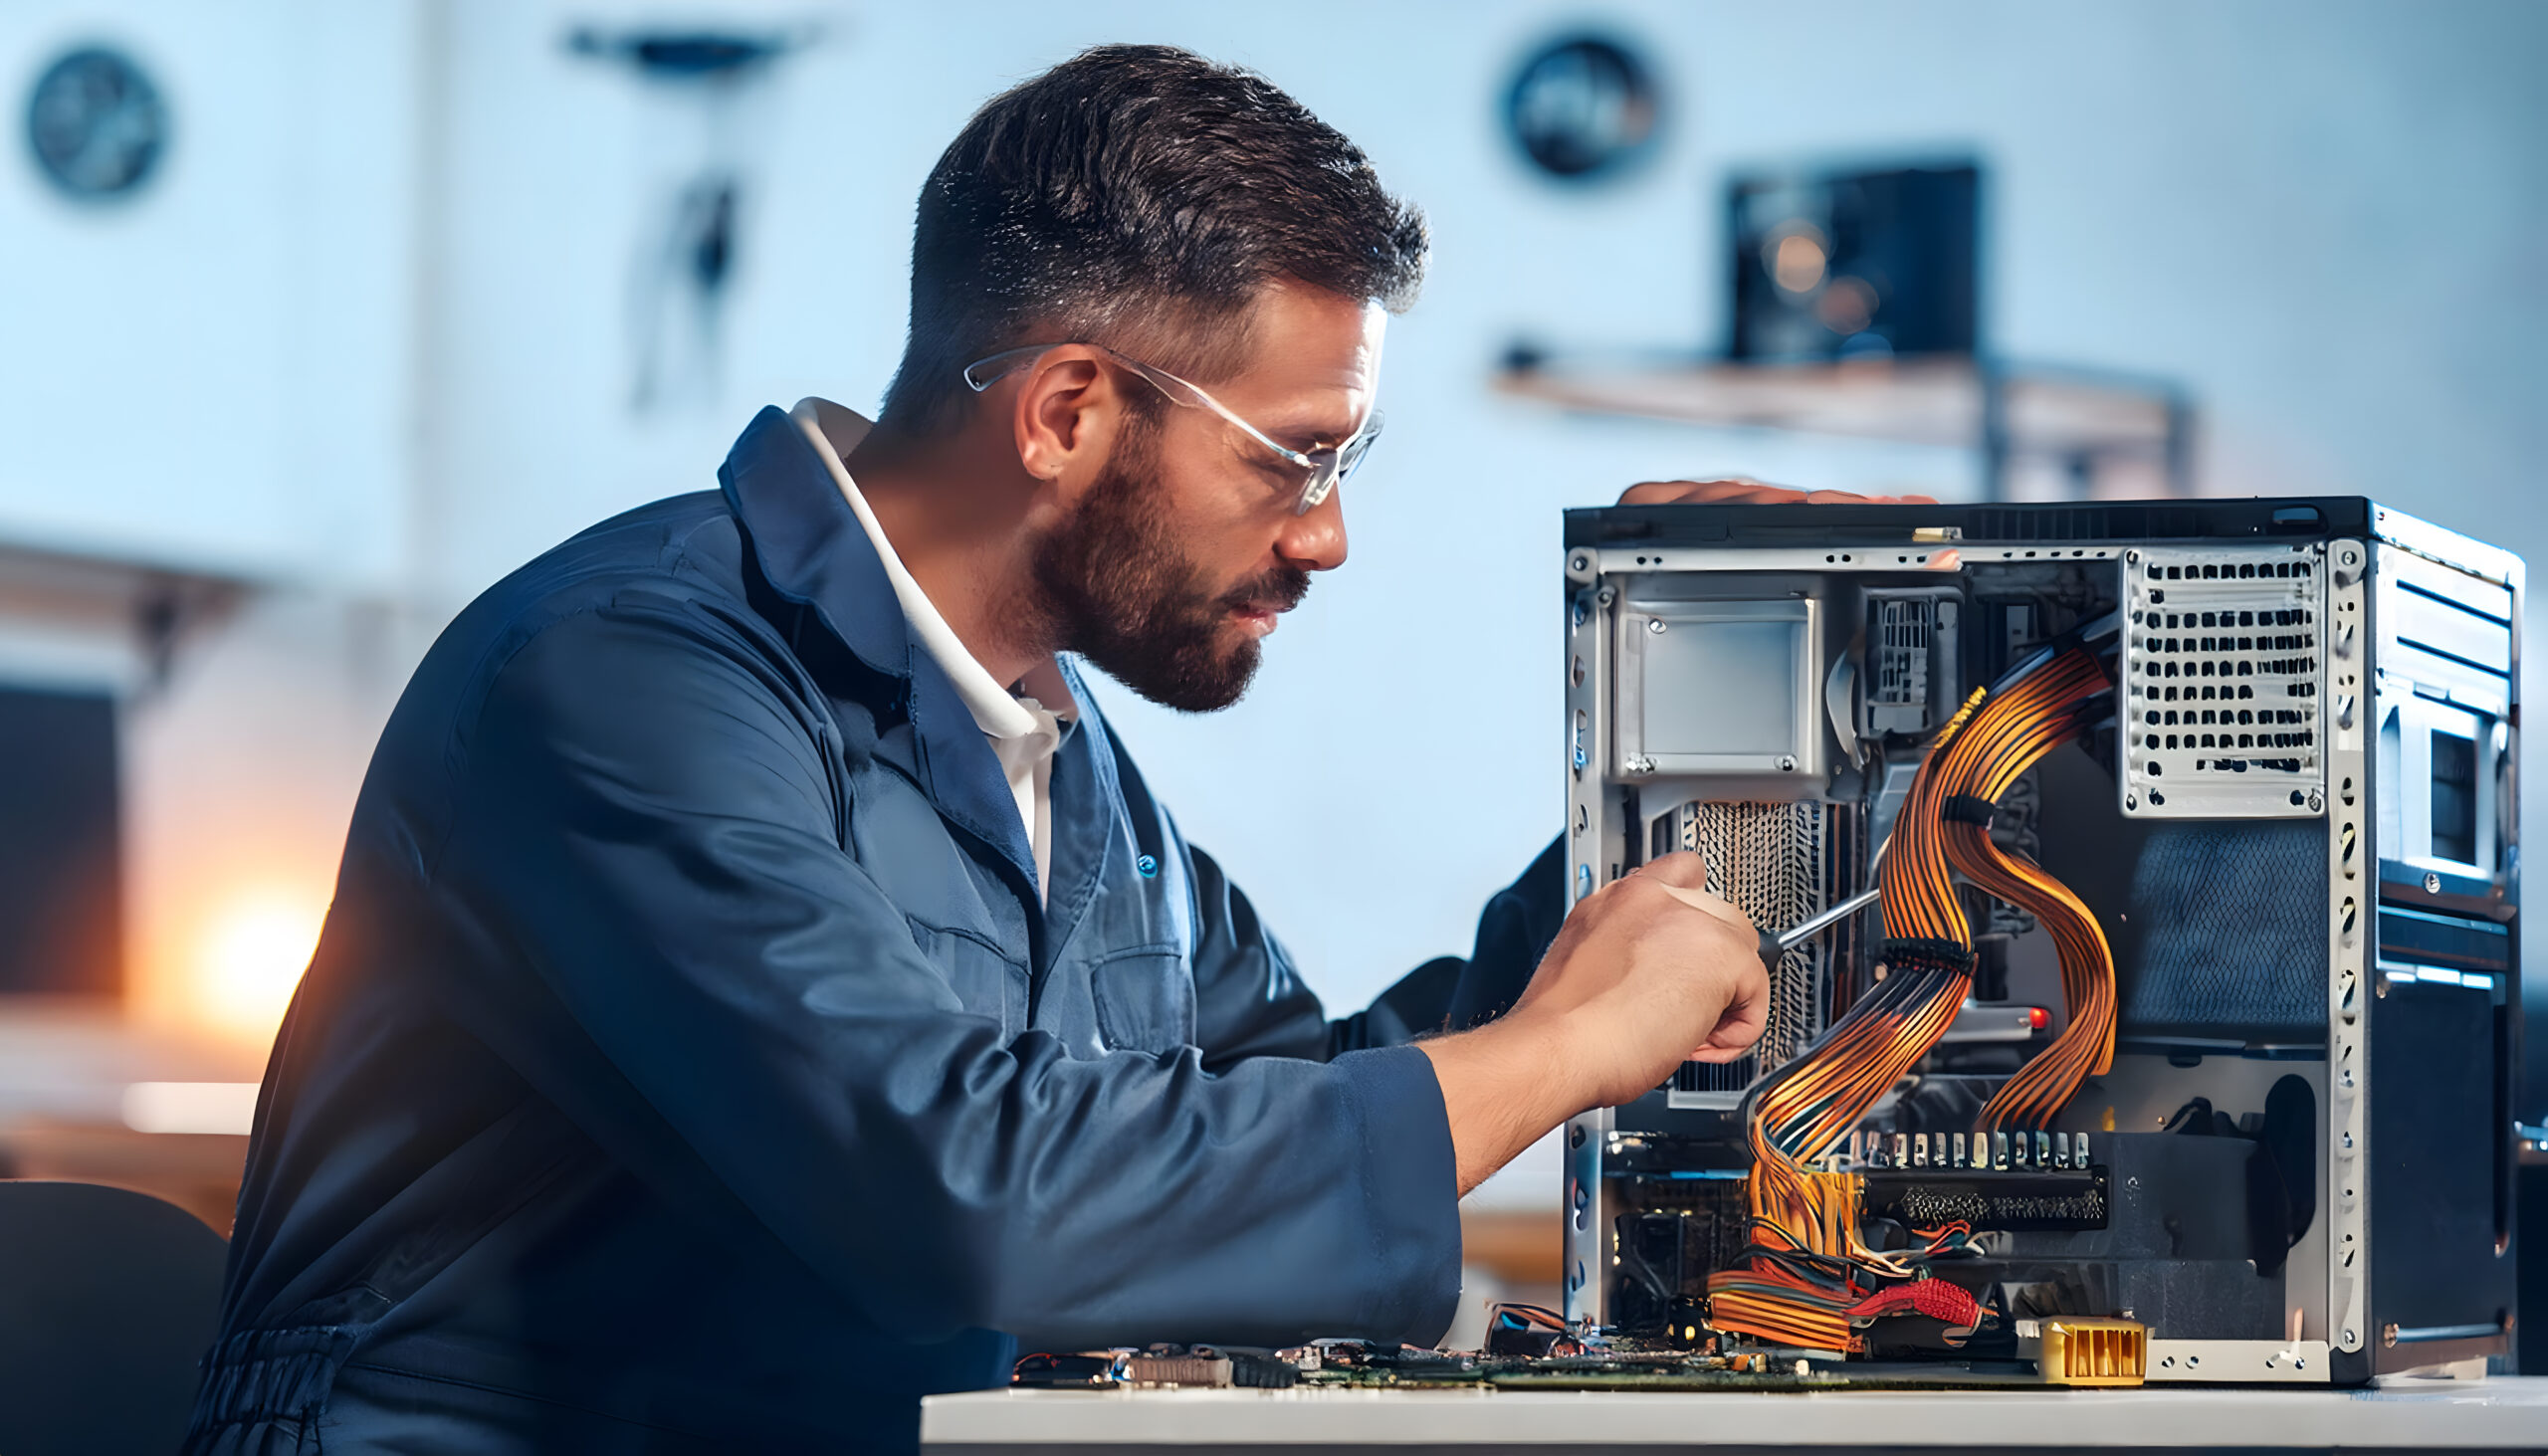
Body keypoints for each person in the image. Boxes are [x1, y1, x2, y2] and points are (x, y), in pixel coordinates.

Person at [186, 45, 1795, 1455]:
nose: (1330, 538)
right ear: (1068, 413)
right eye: (1295, 461)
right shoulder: (625, 682)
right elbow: (965, 1189)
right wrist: (1578, 1048)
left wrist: (1675, 812)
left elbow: (1290, 1110)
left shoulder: (1057, 762)